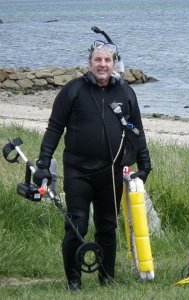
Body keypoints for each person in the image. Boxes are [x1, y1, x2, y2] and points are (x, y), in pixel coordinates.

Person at [33, 36, 151, 291]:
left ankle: (106, 279)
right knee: (77, 224)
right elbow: (54, 128)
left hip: (110, 172)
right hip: (77, 171)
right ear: (89, 63)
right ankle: (73, 282)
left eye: (107, 60)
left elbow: (136, 130)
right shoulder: (73, 90)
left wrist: (145, 162)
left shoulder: (125, 92)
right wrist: (43, 162)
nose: (102, 64)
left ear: (114, 63)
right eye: (97, 59)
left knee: (108, 225)